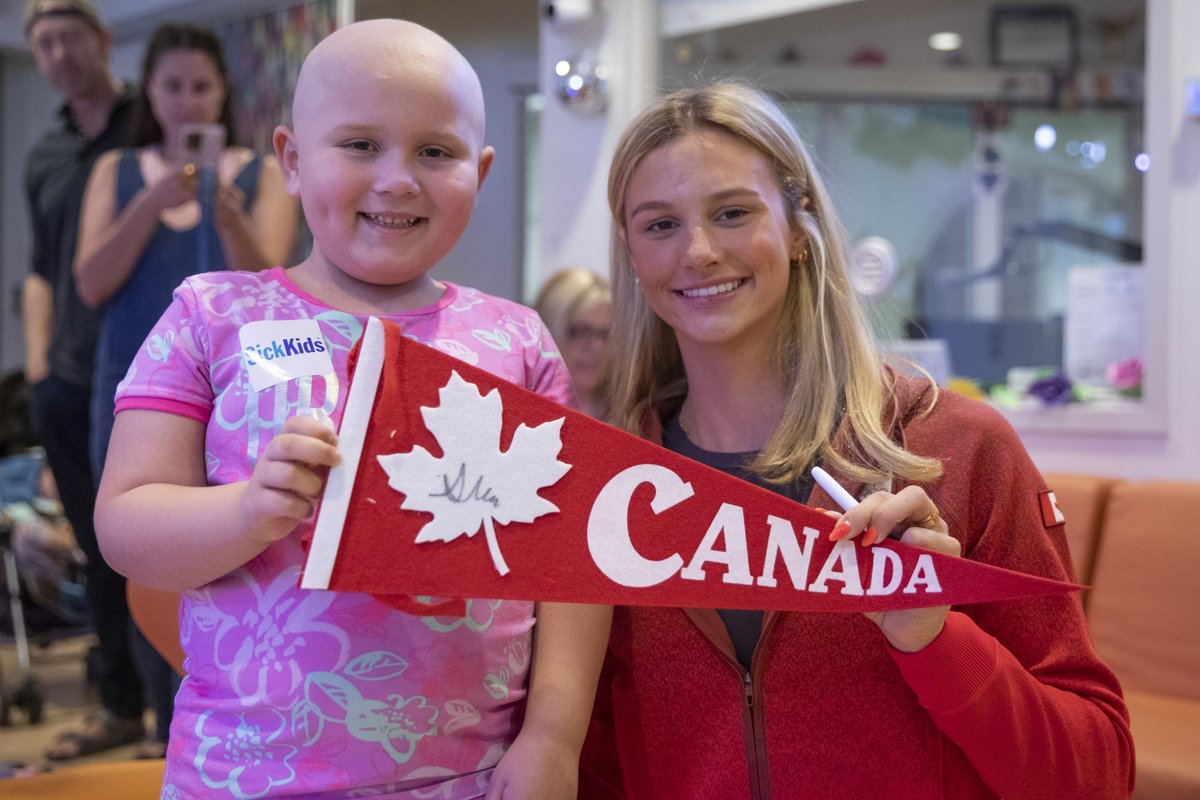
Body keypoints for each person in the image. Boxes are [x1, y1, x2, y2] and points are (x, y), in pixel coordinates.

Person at [93, 19, 610, 799]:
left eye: (436, 151)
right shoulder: (212, 315)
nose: (398, 179)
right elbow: (125, 524)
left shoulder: (518, 340)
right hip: (244, 775)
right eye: (361, 145)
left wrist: (552, 737)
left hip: (471, 776)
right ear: (292, 162)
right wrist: (245, 514)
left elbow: (571, 561)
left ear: (482, 169)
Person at [579, 81, 1134, 799]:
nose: (701, 251)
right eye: (660, 225)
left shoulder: (960, 451)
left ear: (799, 226)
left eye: (733, 212)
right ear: (629, 252)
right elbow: (592, 764)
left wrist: (936, 637)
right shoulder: (604, 489)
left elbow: (1095, 776)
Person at [70, 20, 298, 761]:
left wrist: (224, 210)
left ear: (223, 91)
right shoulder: (119, 171)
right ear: (151, 92)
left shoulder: (260, 173)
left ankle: (229, 715)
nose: (187, 101)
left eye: (201, 86)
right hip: (134, 386)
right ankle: (164, 722)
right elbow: (91, 280)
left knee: (231, 544)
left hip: (238, 393)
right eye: (172, 86)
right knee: (142, 547)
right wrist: (152, 200)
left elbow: (271, 285)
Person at [21, 0, 149, 761]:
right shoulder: (45, 154)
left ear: (102, 41)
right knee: (98, 549)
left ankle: (174, 711)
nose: (60, 54)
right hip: (66, 380)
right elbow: (41, 271)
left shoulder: (151, 133)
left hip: (147, 376)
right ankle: (120, 705)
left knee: (156, 546)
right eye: (44, 43)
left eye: (71, 37)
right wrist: (38, 369)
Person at [534, 267, 613, 419]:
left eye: (604, 334)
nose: (596, 346)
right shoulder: (520, 413)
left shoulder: (638, 422)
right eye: (581, 331)